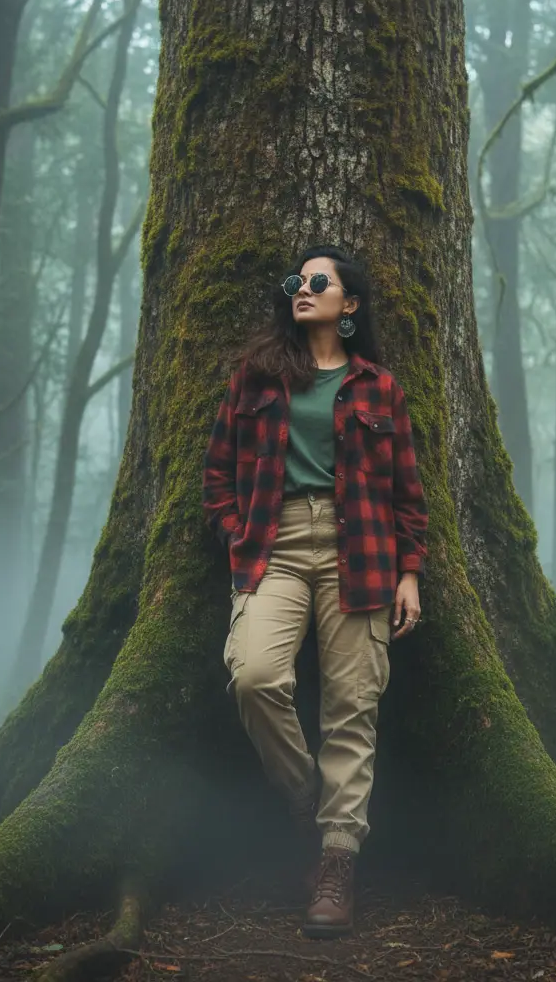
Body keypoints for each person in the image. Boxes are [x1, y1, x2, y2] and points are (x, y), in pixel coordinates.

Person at [201, 244, 428, 937]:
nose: (303, 288)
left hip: (360, 552)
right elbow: (216, 477)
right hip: (274, 547)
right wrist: (240, 533)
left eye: (319, 281)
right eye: (296, 281)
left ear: (348, 303)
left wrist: (410, 571)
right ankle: (305, 802)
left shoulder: (378, 388)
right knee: (256, 677)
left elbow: (407, 494)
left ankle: (336, 862)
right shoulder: (256, 378)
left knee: (352, 707)